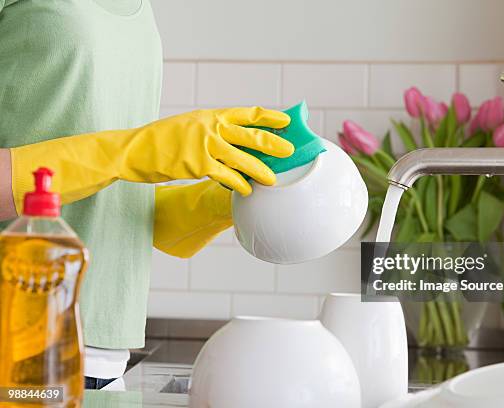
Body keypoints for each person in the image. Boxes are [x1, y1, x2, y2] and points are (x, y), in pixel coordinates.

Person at [0, 0, 293, 389]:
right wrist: (133, 151)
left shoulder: (139, 9)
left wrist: (225, 200)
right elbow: (120, 159)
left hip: (103, 362)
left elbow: (116, 209)